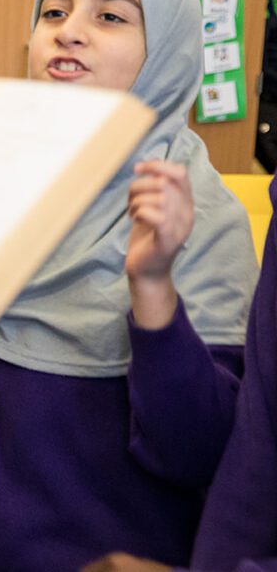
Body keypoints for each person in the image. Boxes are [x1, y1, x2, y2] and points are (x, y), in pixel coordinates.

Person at [0, 0, 257, 572]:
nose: (69, 32)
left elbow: (200, 451)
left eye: (110, 16)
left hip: (111, 557)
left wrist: (154, 287)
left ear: (167, 51)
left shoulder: (197, 216)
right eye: (53, 12)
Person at [81, 188, 276, 572]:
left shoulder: (206, 217)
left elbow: (197, 451)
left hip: (137, 539)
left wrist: (154, 297)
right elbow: (259, 445)